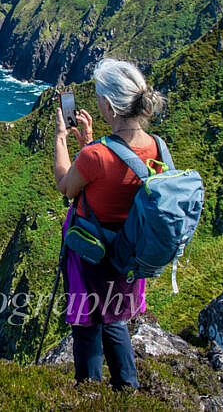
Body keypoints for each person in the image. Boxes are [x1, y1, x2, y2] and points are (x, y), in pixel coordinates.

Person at [52, 58, 167, 390]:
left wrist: (61, 138)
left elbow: (66, 185)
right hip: (128, 256)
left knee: (86, 327)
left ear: (108, 104)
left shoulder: (96, 156)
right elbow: (116, 182)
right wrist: (89, 141)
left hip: (92, 259)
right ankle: (127, 391)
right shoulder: (156, 146)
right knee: (115, 320)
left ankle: (90, 394)